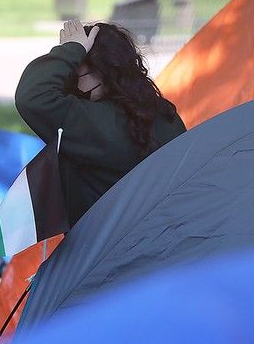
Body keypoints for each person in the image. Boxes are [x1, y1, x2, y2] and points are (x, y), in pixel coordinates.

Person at [15, 19, 185, 226]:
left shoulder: (94, 123)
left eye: (77, 75)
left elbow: (33, 96)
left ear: (102, 71)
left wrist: (70, 50)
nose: (72, 84)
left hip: (105, 248)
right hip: (168, 240)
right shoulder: (165, 116)